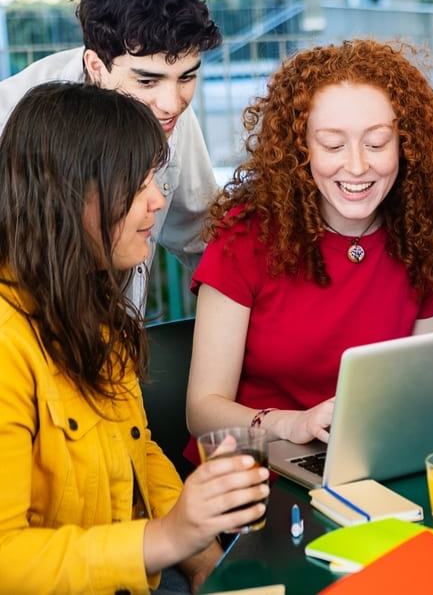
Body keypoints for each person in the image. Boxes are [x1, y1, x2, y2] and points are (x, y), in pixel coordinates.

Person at [0, 83, 269, 595]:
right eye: (136, 183)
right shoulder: (8, 343)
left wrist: (204, 561)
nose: (158, 200)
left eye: (154, 178)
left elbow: (137, 451)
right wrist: (166, 538)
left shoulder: (92, 306)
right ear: (67, 195)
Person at [184, 39, 433, 449]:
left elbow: (416, 388)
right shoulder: (246, 236)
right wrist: (291, 424)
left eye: (377, 143)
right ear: (300, 148)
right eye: (333, 145)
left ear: (406, 145)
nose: (357, 166)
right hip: (258, 464)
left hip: (370, 457)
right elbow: (201, 412)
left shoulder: (421, 234)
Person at [0, 0, 222, 312]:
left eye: (187, 77)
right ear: (95, 66)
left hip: (117, 334)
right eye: (146, 81)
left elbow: (202, 235)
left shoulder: (166, 112)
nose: (171, 104)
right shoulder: (11, 117)